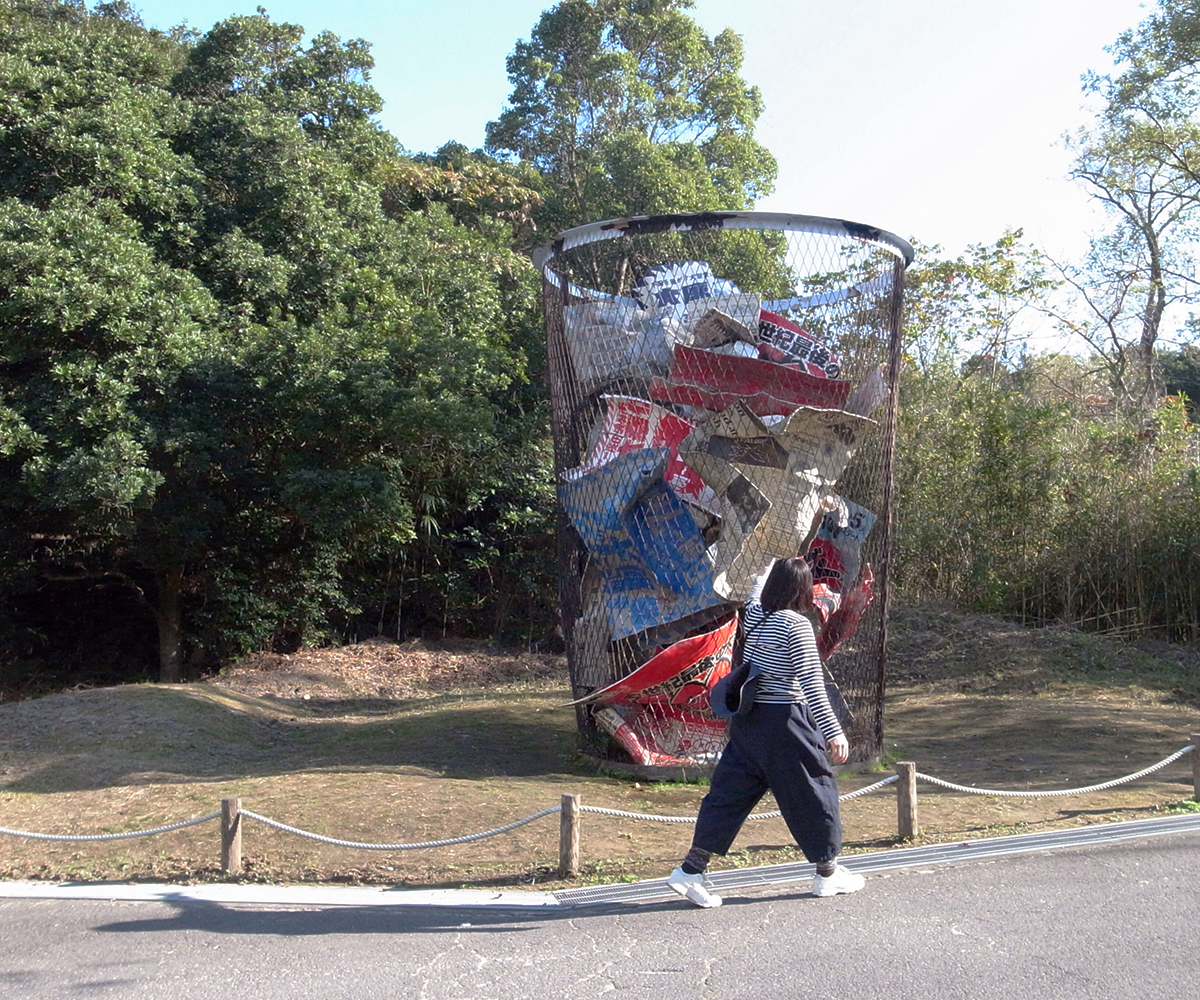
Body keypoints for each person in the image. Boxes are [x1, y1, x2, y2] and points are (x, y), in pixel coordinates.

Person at [666, 556, 864, 907]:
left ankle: (690, 870)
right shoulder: (796, 626)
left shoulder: (756, 616)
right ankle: (827, 874)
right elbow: (812, 684)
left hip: (748, 722)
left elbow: (755, 596)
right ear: (803, 590)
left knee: (728, 796)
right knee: (815, 792)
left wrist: (763, 573)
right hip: (786, 723)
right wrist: (833, 731)